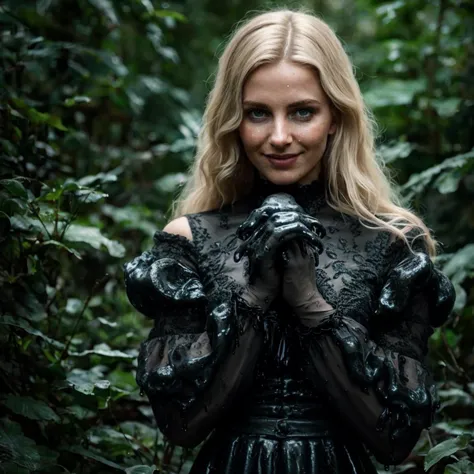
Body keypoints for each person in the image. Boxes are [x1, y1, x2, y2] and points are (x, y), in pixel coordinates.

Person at [124, 9, 455, 474]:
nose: (279, 137)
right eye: (258, 113)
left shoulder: (391, 243)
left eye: (302, 112)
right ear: (233, 121)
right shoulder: (190, 239)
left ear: (336, 117)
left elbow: (394, 440)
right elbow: (181, 427)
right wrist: (255, 297)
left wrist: (309, 302)